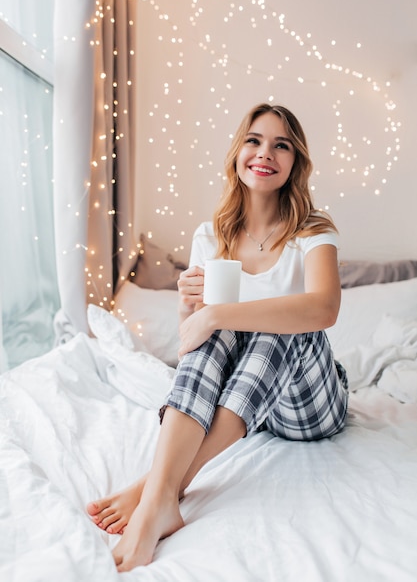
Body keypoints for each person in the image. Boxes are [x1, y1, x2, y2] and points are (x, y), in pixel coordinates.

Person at [87, 102, 349, 572]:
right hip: (254, 407)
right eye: (254, 140)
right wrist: (193, 308)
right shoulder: (210, 237)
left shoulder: (314, 230)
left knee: (281, 327)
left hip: (313, 404)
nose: (264, 152)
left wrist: (218, 314)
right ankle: (161, 503)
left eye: (281, 145)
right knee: (215, 332)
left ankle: (160, 488)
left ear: (295, 162)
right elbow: (192, 343)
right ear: (237, 153)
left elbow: (325, 309)